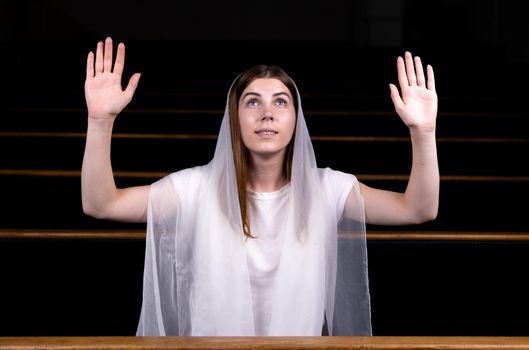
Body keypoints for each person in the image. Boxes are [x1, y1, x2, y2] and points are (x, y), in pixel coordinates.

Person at [82, 37, 439, 336]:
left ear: (296, 119)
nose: (266, 113)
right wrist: (100, 122)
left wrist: (423, 133)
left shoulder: (329, 189)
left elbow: (419, 209)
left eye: (280, 102)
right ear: (234, 118)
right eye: (252, 102)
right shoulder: (194, 188)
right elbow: (102, 204)